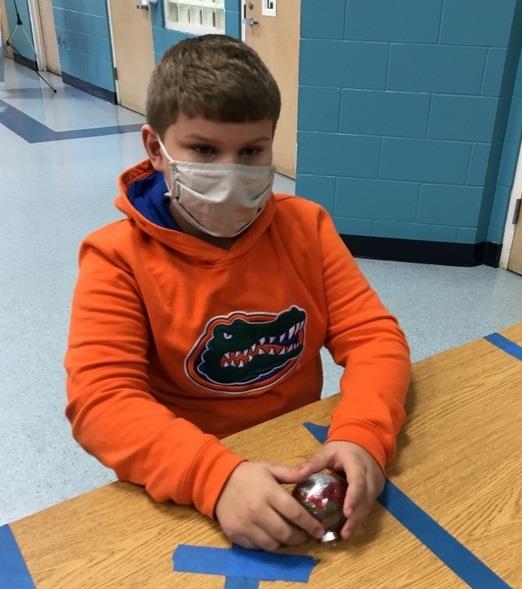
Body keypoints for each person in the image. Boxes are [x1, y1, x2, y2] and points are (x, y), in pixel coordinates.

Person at [65, 34, 410, 552]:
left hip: (298, 453)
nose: (230, 171)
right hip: (184, 482)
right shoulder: (116, 257)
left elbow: (374, 339)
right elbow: (101, 401)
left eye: (251, 151)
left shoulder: (307, 227)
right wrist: (215, 477)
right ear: (155, 149)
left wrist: (361, 434)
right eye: (204, 150)